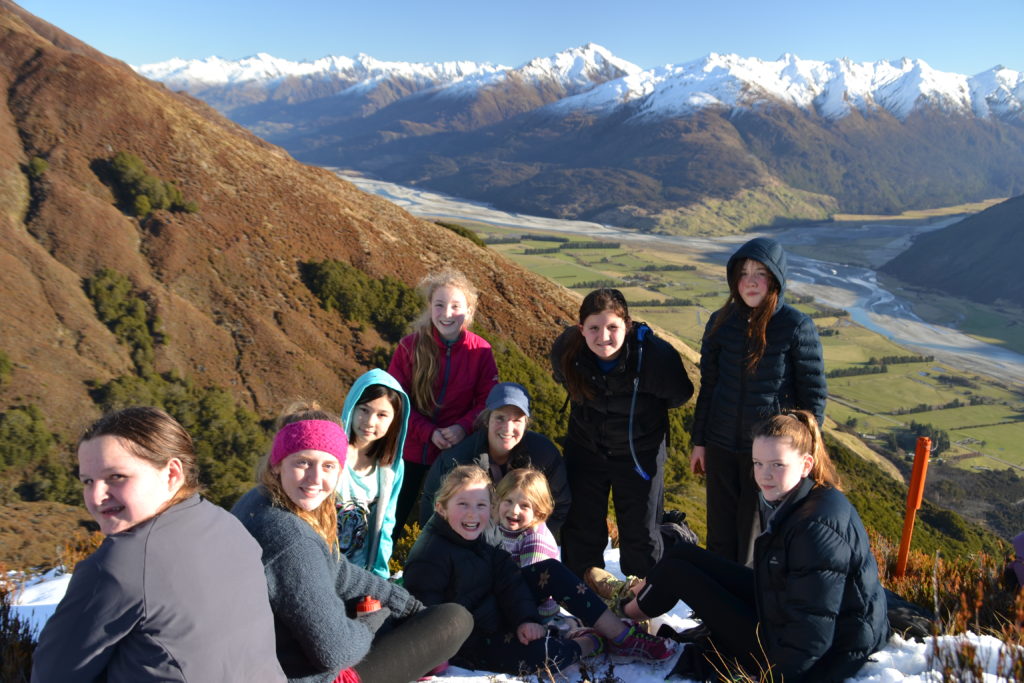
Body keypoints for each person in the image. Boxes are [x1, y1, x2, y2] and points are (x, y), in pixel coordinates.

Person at [621, 410, 889, 683]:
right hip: (783, 612)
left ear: (806, 464)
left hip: (818, 651)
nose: (764, 475)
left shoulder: (814, 529)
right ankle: (629, 609)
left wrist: (773, 678)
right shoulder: (802, 497)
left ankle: (620, 622)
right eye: (758, 463)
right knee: (681, 554)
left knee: (680, 574)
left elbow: (812, 636)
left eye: (777, 465)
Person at [32, 407, 286, 683]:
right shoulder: (227, 524)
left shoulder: (119, 565)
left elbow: (53, 674)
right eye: (88, 481)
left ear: (171, 474)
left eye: (116, 476)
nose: (96, 496)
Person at [231, 402, 472, 683]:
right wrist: (370, 621)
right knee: (455, 620)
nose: (315, 479)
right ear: (278, 464)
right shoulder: (291, 538)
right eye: (303, 462)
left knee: (408, 616)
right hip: (314, 675)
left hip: (276, 657)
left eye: (328, 466)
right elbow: (335, 652)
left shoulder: (259, 499)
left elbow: (338, 570)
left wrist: (406, 606)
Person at [404, 465, 674, 675]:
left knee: (551, 570)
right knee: (542, 656)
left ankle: (621, 636)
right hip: (472, 639)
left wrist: (525, 619)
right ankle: (593, 642)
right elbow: (429, 619)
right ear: (440, 508)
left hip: (499, 608)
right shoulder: (430, 556)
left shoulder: (485, 530)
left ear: (491, 506)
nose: (473, 514)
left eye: (481, 505)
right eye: (462, 504)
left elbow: (508, 578)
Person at [691, 236, 827, 564]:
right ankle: (715, 608)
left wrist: (799, 452)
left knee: (754, 538)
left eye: (760, 273)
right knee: (719, 533)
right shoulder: (720, 323)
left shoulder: (795, 326)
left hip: (769, 455)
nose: (750, 281)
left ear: (776, 279)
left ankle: (748, 612)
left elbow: (813, 397)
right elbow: (708, 386)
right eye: (743, 273)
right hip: (721, 444)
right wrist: (700, 441)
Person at [550, 288, 693, 579]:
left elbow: (679, 394)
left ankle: (640, 603)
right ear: (581, 329)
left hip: (639, 453)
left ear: (627, 326)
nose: (603, 336)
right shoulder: (568, 349)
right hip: (586, 447)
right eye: (594, 328)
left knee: (641, 533)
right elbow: (563, 376)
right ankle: (584, 596)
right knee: (581, 527)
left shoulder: (655, 356)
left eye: (613, 327)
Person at [388, 269, 498, 537]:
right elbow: (394, 399)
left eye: (455, 306)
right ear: (430, 307)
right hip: (408, 449)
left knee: (443, 525)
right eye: (439, 305)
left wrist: (462, 428)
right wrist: (427, 432)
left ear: (469, 311)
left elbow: (488, 399)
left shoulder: (481, 351)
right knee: (392, 520)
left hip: (455, 452)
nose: (446, 313)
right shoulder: (409, 347)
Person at [418, 382, 570, 533]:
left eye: (517, 420)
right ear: (487, 420)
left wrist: (528, 540)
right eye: (500, 418)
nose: (508, 428)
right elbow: (432, 505)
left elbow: (560, 505)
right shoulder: (457, 460)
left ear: (526, 425)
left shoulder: (544, 455)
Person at [337, 368, 410, 577]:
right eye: (364, 410)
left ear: (395, 420)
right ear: (352, 407)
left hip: (358, 575)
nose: (370, 422)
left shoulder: (391, 468)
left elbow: (386, 523)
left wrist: (379, 575)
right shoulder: (330, 455)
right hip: (319, 567)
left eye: (381, 415)